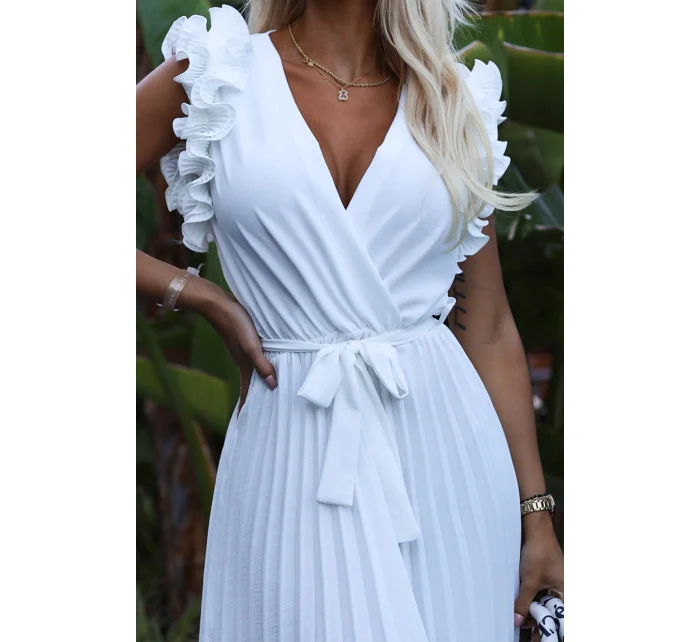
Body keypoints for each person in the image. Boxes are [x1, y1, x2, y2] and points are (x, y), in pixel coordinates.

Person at [136, 1, 564, 640]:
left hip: (447, 460)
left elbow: (491, 327)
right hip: (290, 449)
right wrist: (199, 295)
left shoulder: (451, 97)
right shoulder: (215, 72)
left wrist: (537, 517)